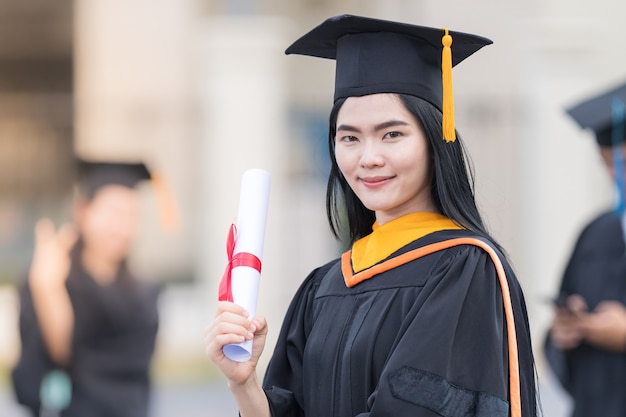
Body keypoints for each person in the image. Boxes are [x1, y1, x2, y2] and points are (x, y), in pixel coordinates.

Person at [205, 14, 538, 417]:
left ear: (435, 140)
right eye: (349, 137)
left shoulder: (464, 269)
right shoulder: (323, 286)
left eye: (392, 134)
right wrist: (244, 385)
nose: (369, 158)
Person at [12, 159, 162, 417]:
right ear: (82, 212)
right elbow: (52, 360)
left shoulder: (143, 295)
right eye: (114, 212)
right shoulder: (48, 276)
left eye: (132, 216)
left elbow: (128, 380)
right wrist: (48, 291)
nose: (123, 226)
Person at [545, 81, 626, 417]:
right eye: (607, 162)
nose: (615, 174)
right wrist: (563, 333)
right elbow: (556, 335)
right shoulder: (596, 233)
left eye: (622, 161)